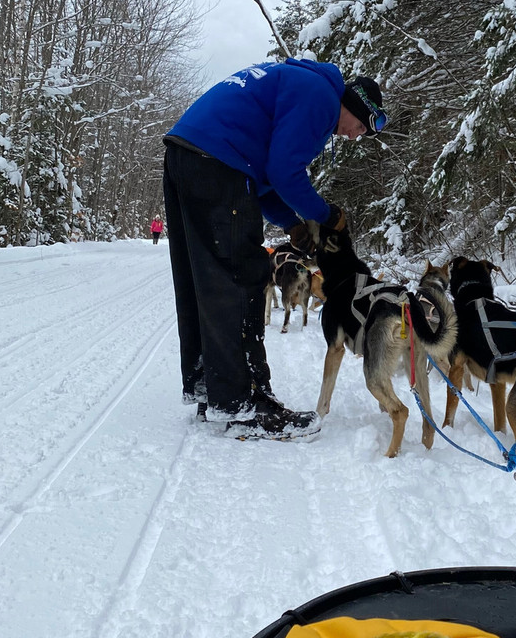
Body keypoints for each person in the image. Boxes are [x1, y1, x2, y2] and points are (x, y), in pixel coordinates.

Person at [162, 58, 387, 440]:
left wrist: (293, 224)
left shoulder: (300, 85)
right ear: (352, 104)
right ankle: (244, 406)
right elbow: (285, 171)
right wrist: (327, 214)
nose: (355, 136)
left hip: (187, 154)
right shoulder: (321, 97)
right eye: (362, 126)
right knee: (242, 280)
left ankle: (211, 390)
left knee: (203, 280)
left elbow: (266, 179)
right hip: (218, 162)